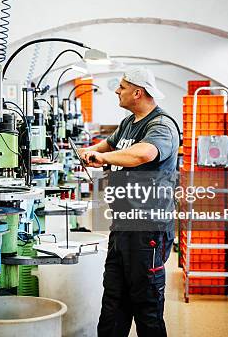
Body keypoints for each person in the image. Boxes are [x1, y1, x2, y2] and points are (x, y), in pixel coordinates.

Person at [78, 67, 180, 337]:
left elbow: (142, 154)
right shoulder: (129, 122)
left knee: (146, 305)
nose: (116, 90)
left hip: (148, 229)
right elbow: (111, 145)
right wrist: (90, 150)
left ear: (138, 92)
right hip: (123, 226)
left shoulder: (161, 125)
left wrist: (105, 159)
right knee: (113, 302)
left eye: (121, 87)